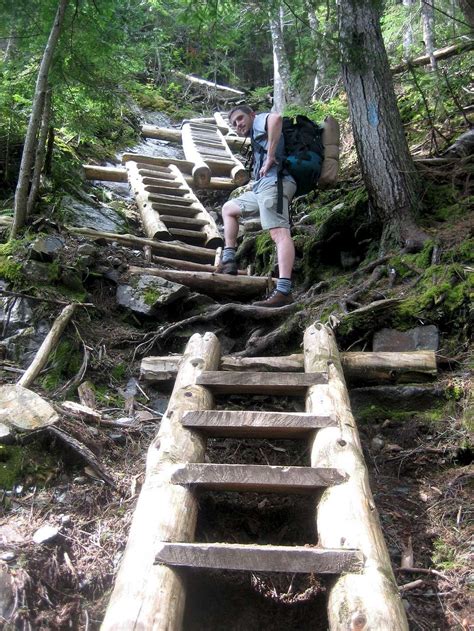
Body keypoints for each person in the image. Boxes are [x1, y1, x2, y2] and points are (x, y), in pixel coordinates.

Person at [216, 105, 297, 307]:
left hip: (276, 184)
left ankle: (284, 290)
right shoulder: (255, 133)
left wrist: (270, 156)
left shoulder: (260, 120)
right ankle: (229, 260)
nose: (238, 124)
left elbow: (277, 118)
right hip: (264, 188)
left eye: (241, 119)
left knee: (279, 234)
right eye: (234, 123)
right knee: (229, 209)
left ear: (252, 115)